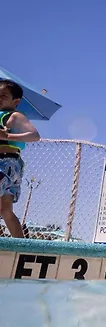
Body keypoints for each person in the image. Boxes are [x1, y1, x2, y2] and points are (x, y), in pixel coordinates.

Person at [0, 79, 41, 237]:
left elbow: (34, 135)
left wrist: (8, 136)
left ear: (15, 102)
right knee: (5, 209)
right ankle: (21, 245)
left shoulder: (14, 116)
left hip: (6, 163)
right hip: (11, 165)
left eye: (3, 96)